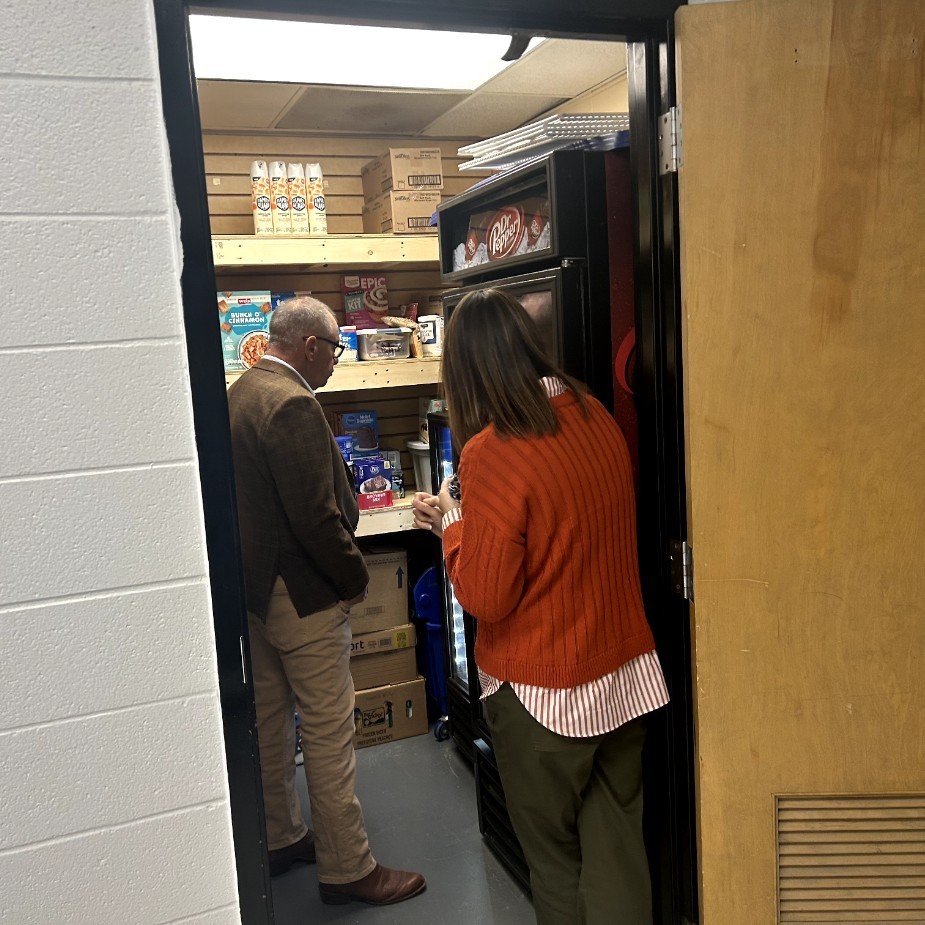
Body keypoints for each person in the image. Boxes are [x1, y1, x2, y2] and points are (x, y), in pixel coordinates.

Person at [412, 289, 668, 924]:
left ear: (467, 370)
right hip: (626, 674)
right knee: (617, 854)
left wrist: (451, 525)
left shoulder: (491, 451)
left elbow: (487, 594)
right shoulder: (595, 414)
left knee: (555, 867)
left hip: (540, 693)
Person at [227, 296, 425, 906]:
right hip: (304, 596)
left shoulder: (242, 390)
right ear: (309, 345)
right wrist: (354, 580)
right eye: (336, 349)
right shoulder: (291, 404)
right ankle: (348, 870)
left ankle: (282, 835)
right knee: (329, 735)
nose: (338, 362)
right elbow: (316, 518)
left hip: (257, 592)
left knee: (269, 723)